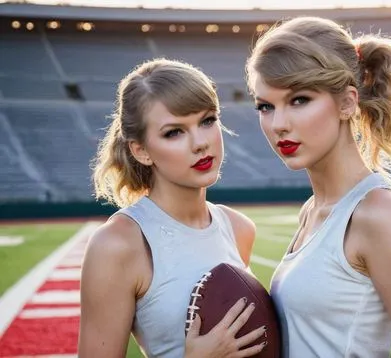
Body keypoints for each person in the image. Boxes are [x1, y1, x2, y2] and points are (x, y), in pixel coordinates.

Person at [246, 17, 391, 358]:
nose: (278, 124)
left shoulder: (381, 213)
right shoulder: (312, 210)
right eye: (265, 106)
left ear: (346, 102)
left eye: (299, 100)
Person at [78, 58, 267, 357]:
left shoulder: (238, 227)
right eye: (174, 132)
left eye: (207, 121)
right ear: (141, 151)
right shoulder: (118, 244)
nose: (200, 143)